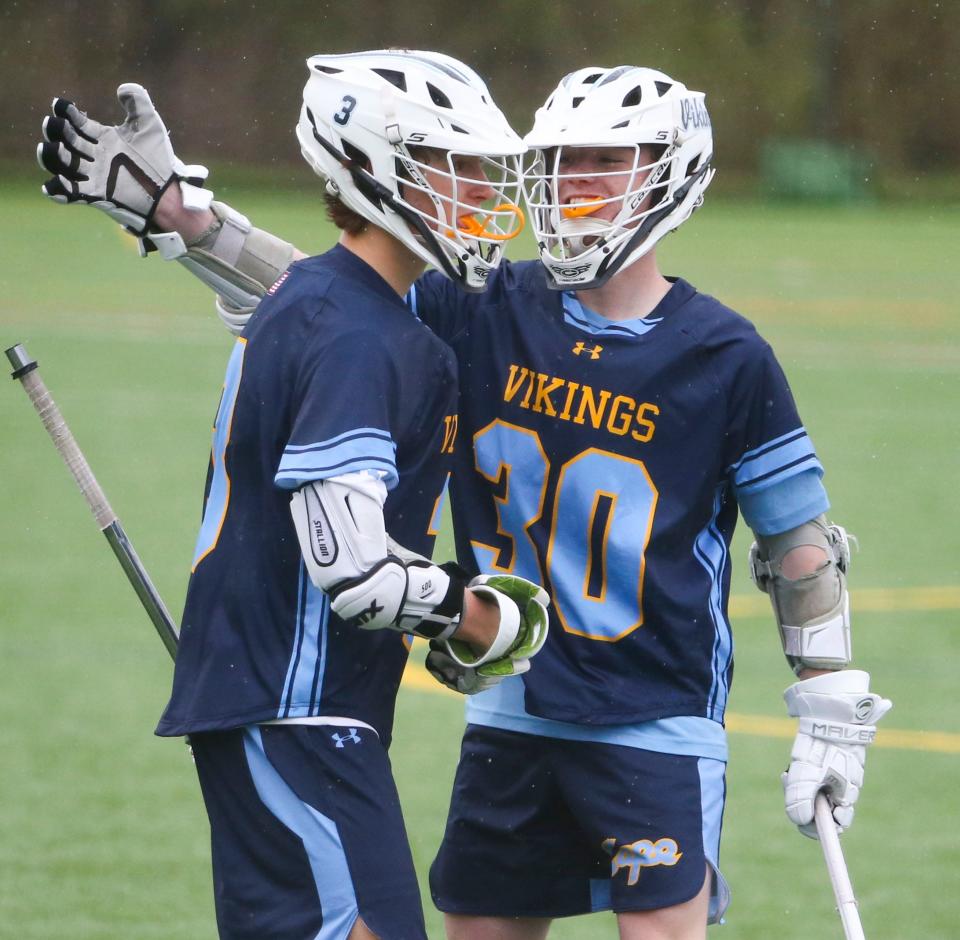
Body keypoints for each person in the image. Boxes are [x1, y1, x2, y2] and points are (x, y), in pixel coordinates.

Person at [39, 63, 892, 939]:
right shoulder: (489, 304)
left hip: (654, 715)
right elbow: (332, 297)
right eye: (560, 159)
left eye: (606, 158)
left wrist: (829, 703)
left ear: (669, 170)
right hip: (511, 707)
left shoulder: (727, 357)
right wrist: (188, 222)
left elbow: (800, 547)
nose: (575, 181)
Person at [37, 51, 549, 940]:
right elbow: (352, 569)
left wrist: (184, 217)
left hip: (281, 716)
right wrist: (478, 618)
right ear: (381, 171)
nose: (477, 194)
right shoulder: (364, 335)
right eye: (455, 169)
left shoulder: (324, 299)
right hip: (299, 719)